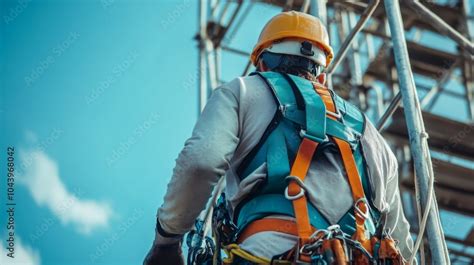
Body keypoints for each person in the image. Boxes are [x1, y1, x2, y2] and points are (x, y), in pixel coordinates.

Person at [144, 11, 414, 265]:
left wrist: (166, 241)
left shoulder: (243, 90)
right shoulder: (371, 134)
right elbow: (401, 241)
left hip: (270, 250)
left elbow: (200, 163)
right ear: (321, 74)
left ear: (262, 62)